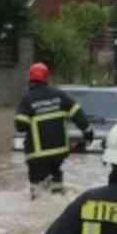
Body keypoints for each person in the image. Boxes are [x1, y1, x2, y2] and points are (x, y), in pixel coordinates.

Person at [14, 62, 92, 198]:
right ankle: (57, 196)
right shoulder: (59, 95)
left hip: (37, 156)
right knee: (56, 186)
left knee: (38, 192)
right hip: (58, 153)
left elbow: (20, 126)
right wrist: (88, 132)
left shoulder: (27, 99)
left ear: (30, 80)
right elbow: (78, 114)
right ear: (47, 78)